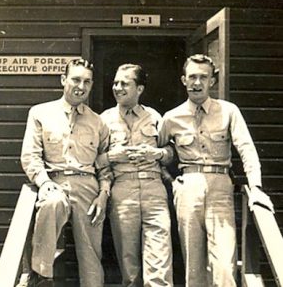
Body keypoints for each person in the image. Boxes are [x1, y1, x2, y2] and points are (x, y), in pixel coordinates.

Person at [158, 54, 274, 287]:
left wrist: (257, 187)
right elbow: (157, 155)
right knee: (193, 263)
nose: (197, 83)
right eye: (192, 77)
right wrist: (171, 182)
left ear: (212, 81)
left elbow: (247, 150)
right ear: (183, 80)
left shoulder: (229, 111)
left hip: (220, 186)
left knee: (224, 262)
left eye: (203, 77)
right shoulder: (171, 118)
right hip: (187, 187)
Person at [20, 58, 112, 287]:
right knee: (52, 204)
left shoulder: (98, 122)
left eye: (87, 82)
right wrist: (43, 182)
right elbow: (30, 156)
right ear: (63, 80)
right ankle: (42, 276)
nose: (81, 86)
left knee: (91, 254)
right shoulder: (40, 113)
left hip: (88, 186)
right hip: (54, 182)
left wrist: (103, 195)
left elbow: (105, 166)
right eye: (76, 79)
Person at [97, 64, 173, 287]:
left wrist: (156, 153)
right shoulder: (103, 120)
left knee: (160, 255)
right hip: (123, 190)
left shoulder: (155, 116)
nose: (118, 88)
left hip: (154, 189)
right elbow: (95, 162)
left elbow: (170, 152)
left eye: (125, 83)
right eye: (115, 83)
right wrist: (113, 156)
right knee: (128, 262)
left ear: (139, 89)